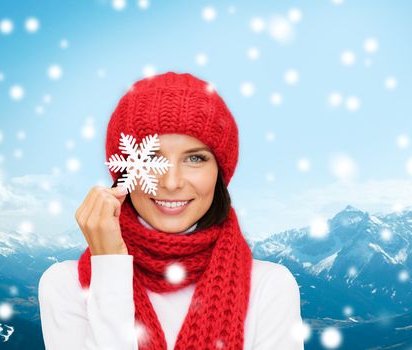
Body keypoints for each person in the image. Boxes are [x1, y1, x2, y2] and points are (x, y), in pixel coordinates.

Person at [38, 72, 304, 349]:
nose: (171, 182)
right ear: (123, 170)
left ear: (220, 173)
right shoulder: (65, 285)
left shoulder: (270, 288)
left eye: (195, 158)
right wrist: (109, 265)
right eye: (152, 157)